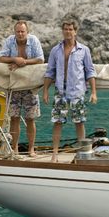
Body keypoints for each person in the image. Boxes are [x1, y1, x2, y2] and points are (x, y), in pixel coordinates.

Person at [43, 19, 97, 162]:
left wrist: (94, 92)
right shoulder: (56, 50)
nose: (68, 31)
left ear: (75, 31)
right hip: (60, 91)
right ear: (63, 31)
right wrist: (45, 91)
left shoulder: (84, 50)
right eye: (65, 29)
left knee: (79, 122)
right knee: (57, 122)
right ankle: (54, 154)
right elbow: (50, 72)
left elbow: (90, 71)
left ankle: (81, 152)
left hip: (78, 91)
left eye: (70, 29)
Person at [0, 20, 44, 157]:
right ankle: (15, 148)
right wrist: (15, 59)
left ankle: (31, 149)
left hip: (30, 85)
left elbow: (40, 59)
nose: (20, 34)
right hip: (15, 86)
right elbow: (1, 58)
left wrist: (23, 62)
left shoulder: (34, 40)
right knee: (14, 118)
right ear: (14, 32)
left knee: (31, 118)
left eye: (23, 31)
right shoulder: (10, 41)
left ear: (27, 32)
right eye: (18, 31)